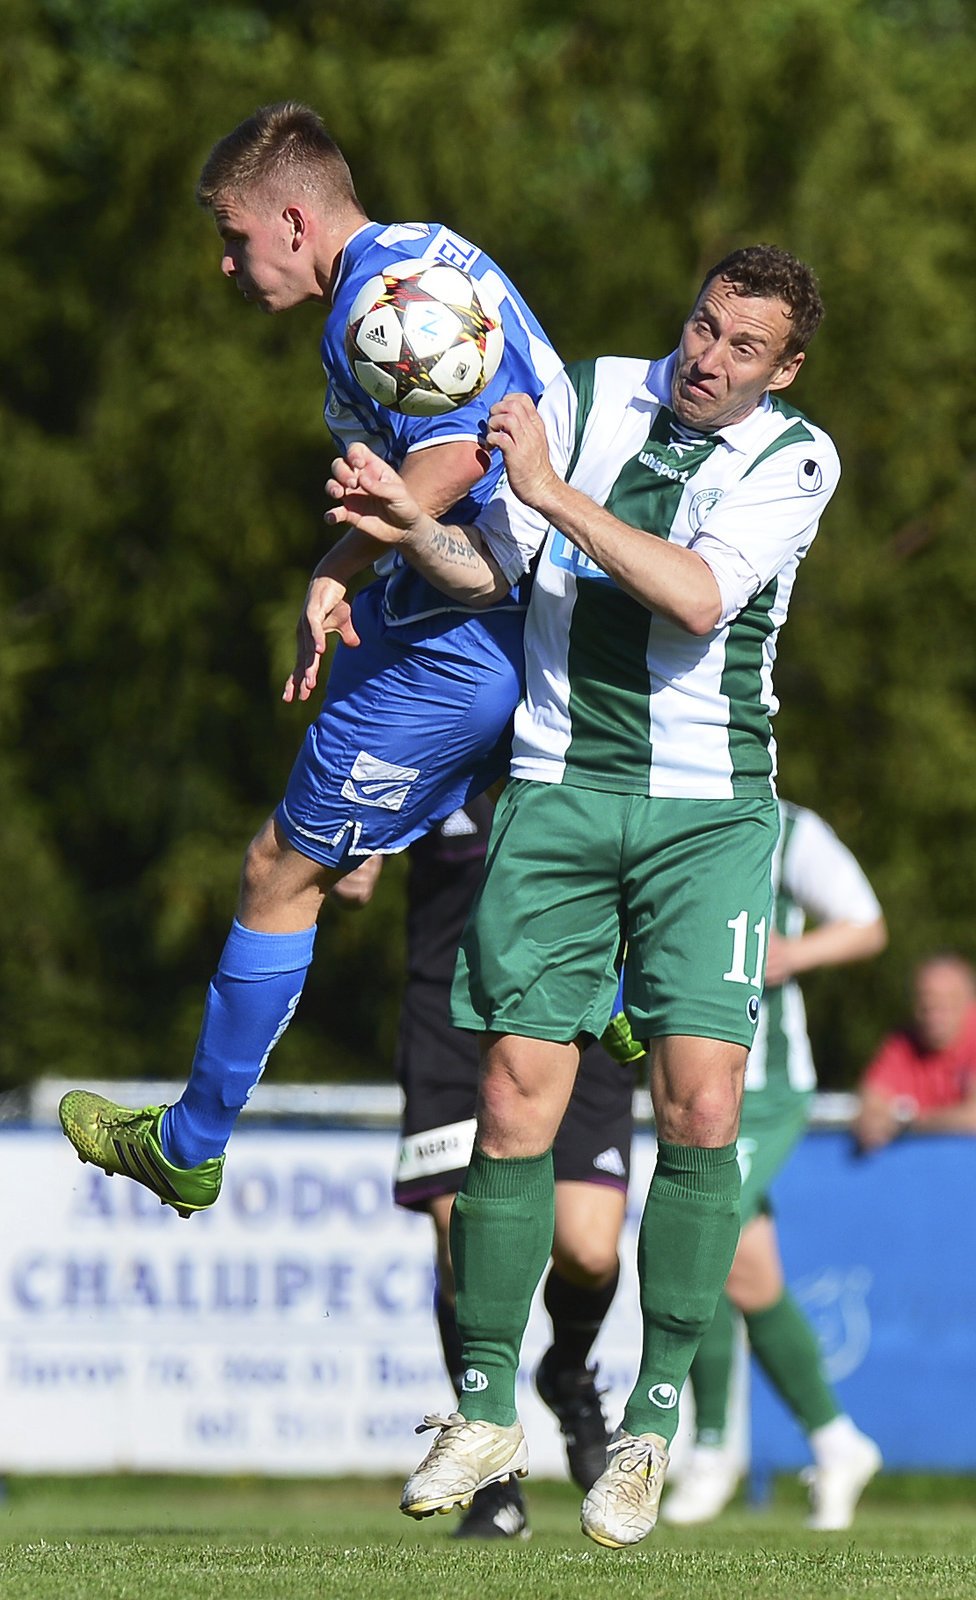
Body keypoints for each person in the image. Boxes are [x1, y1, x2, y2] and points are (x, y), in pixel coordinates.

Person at [323, 243, 841, 1547]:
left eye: (741, 349)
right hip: (552, 795)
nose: (707, 360)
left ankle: (654, 1417)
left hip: (705, 813)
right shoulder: (591, 392)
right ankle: (487, 1406)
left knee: (703, 1100)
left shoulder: (795, 459)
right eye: (702, 327)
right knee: (511, 1090)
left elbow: (696, 598)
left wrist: (549, 491)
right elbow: (491, 574)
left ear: (784, 369)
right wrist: (415, 529)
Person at [57, 101, 562, 1212]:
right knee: (352, 838)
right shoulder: (413, 261)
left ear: (293, 219)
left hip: (467, 634)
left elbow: (461, 447)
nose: (225, 264)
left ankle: (188, 1141)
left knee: (277, 872)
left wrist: (380, 526)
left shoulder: (383, 308)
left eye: (235, 237)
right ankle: (589, 968)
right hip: (462, 610)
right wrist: (340, 560)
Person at [332, 794, 642, 1539]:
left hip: (576, 1011)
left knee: (590, 1249)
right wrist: (350, 853)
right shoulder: (445, 726)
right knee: (458, 1251)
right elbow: (349, 832)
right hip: (448, 1018)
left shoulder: (589, 729)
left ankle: (567, 1374)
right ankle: (491, 1474)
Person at [660, 798, 887, 1531]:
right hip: (692, 1082)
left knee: (700, 1242)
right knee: (745, 1269)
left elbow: (867, 924)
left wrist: (794, 954)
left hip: (763, 1086)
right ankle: (836, 1437)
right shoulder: (661, 812)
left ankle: (714, 1451)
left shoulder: (792, 828)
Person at [853, 952, 976, 1150]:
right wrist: (876, 1120)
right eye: (926, 1000)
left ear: (969, 1002)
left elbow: (973, 1119)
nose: (934, 1010)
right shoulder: (903, 1043)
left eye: (948, 1000)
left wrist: (909, 1124)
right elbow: (872, 1103)